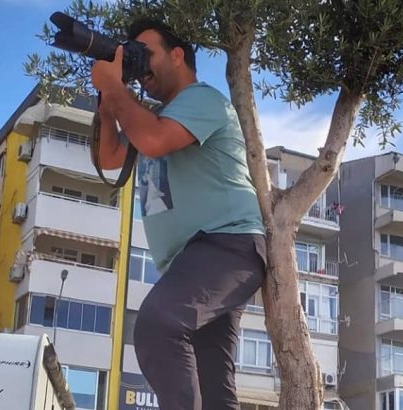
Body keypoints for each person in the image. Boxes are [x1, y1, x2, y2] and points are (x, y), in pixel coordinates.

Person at [90, 18, 267, 410]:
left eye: (145, 53)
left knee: (156, 325)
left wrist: (117, 90)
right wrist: (108, 106)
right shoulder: (149, 115)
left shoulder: (201, 100)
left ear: (177, 55)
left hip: (227, 245)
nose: (140, 65)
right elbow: (110, 157)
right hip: (191, 260)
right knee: (213, 384)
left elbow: (153, 140)